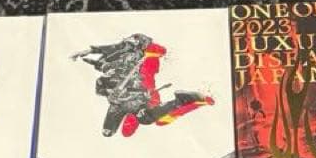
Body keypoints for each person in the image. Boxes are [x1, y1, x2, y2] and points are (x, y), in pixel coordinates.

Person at [72, 34, 213, 137]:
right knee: (109, 131)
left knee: (148, 118)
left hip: (138, 95)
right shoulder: (117, 61)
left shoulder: (142, 59)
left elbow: (157, 54)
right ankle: (180, 102)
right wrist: (91, 54)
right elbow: (111, 52)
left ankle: (181, 101)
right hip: (123, 100)